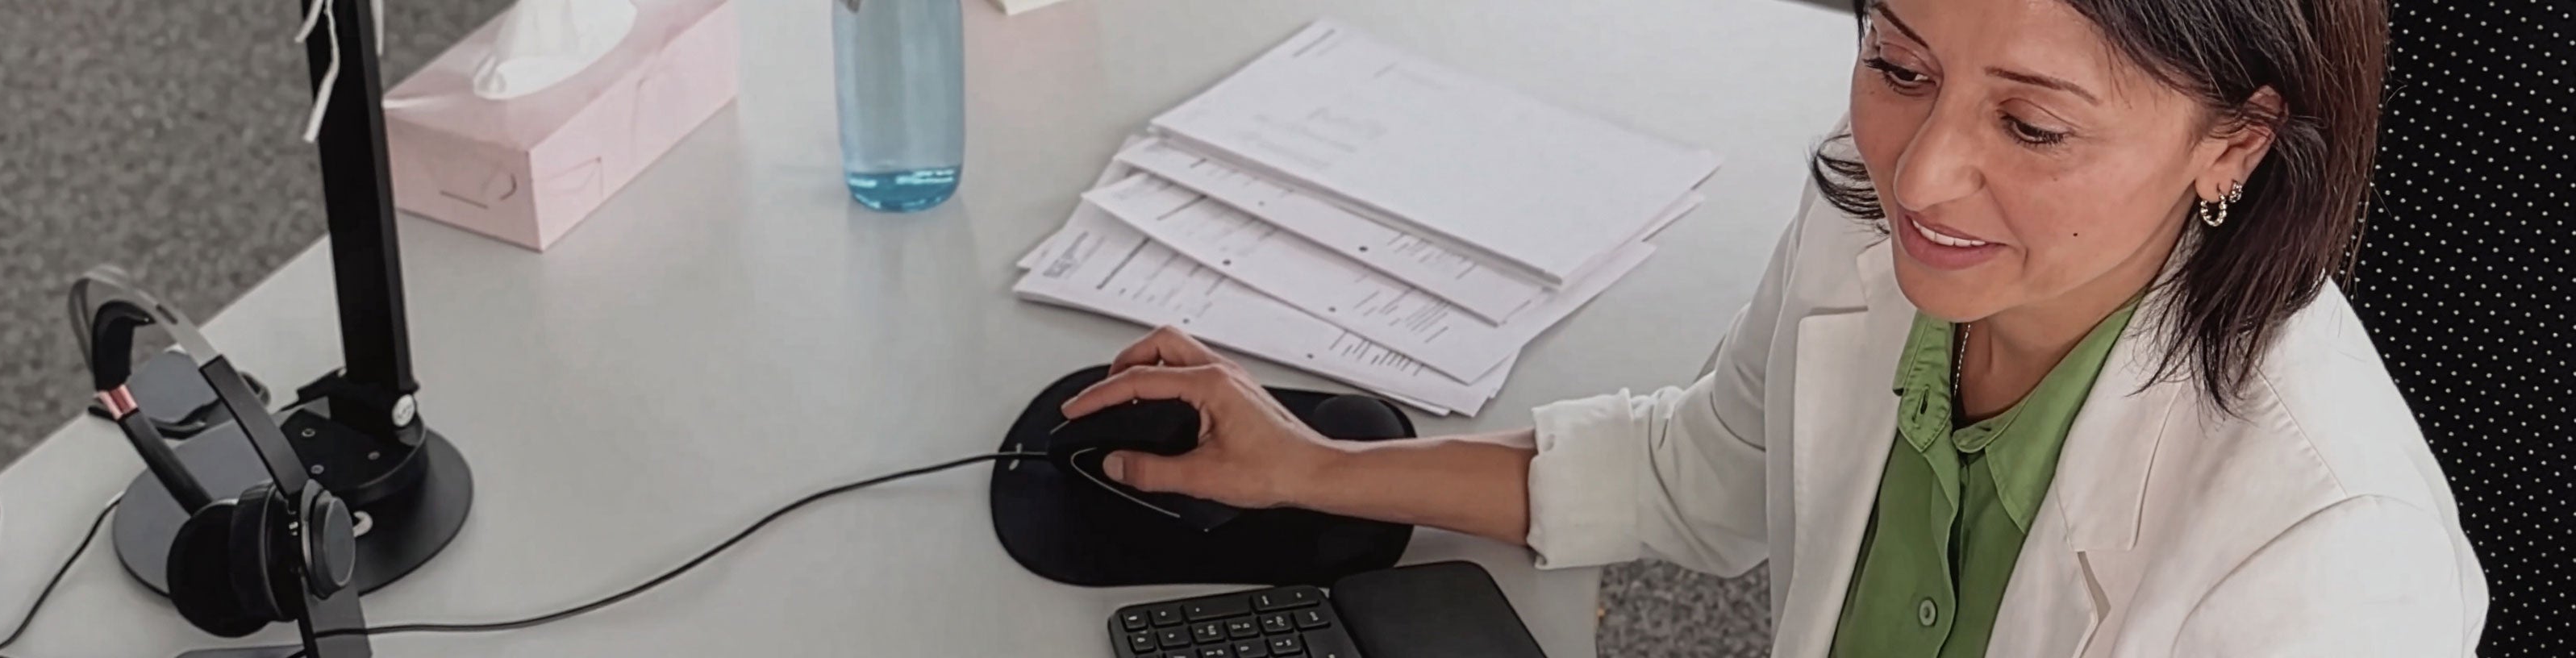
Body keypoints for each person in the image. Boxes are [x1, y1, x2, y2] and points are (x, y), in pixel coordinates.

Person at [1057, 0, 2489, 655]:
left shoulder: (2335, 571)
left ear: (2235, 146)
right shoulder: (1882, 225)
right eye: (1896, 62)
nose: (1921, 174)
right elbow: (1703, 475)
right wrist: (1313, 466)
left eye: (2033, 123)